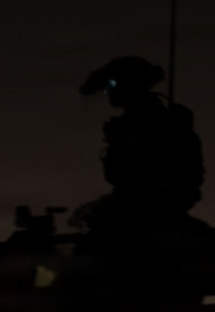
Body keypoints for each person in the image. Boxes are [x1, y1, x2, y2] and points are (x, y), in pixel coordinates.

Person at [76, 55, 206, 229]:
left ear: (129, 84)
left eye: (112, 83)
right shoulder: (145, 118)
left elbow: (139, 178)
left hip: (150, 214)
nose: (107, 90)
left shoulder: (148, 122)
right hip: (146, 208)